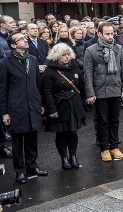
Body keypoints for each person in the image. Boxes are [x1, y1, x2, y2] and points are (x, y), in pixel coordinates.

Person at [0, 31, 48, 184]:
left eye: (25, 38)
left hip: (32, 105)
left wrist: (41, 103)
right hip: (16, 107)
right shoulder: (5, 63)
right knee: (17, 141)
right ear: (13, 45)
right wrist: (4, 112)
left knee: (32, 138)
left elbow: (37, 83)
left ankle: (32, 166)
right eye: (21, 39)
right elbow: (2, 89)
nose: (25, 40)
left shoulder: (32, 59)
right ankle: (20, 171)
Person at [84, 22, 123, 162]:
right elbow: (88, 73)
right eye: (107, 34)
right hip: (100, 90)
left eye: (112, 33)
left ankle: (114, 145)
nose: (110, 36)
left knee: (115, 119)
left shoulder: (119, 48)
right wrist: (90, 93)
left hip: (115, 88)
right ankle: (104, 147)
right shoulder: (91, 50)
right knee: (103, 120)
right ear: (100, 34)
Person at [41, 43, 86, 170]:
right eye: (63, 55)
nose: (67, 57)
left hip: (74, 103)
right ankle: (64, 158)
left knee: (73, 132)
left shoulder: (73, 65)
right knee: (61, 133)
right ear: (56, 56)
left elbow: (81, 84)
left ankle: (73, 156)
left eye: (68, 54)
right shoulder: (49, 70)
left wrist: (84, 100)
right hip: (59, 105)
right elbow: (46, 92)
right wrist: (51, 109)